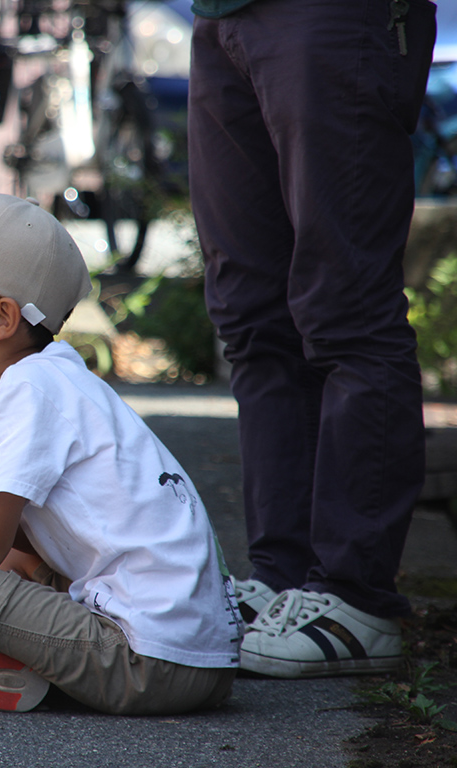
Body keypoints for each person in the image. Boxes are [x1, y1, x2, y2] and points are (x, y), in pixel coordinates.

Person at [0, 193, 242, 715]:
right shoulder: (57, 380)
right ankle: (6, 670)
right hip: (199, 660)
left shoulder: (26, 389)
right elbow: (29, 549)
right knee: (1, 565)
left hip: (146, 661)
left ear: (0, 319)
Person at [187, 0, 437, 678]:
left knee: (346, 306)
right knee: (251, 315)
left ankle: (356, 595)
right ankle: (283, 575)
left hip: (333, 14)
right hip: (220, 15)